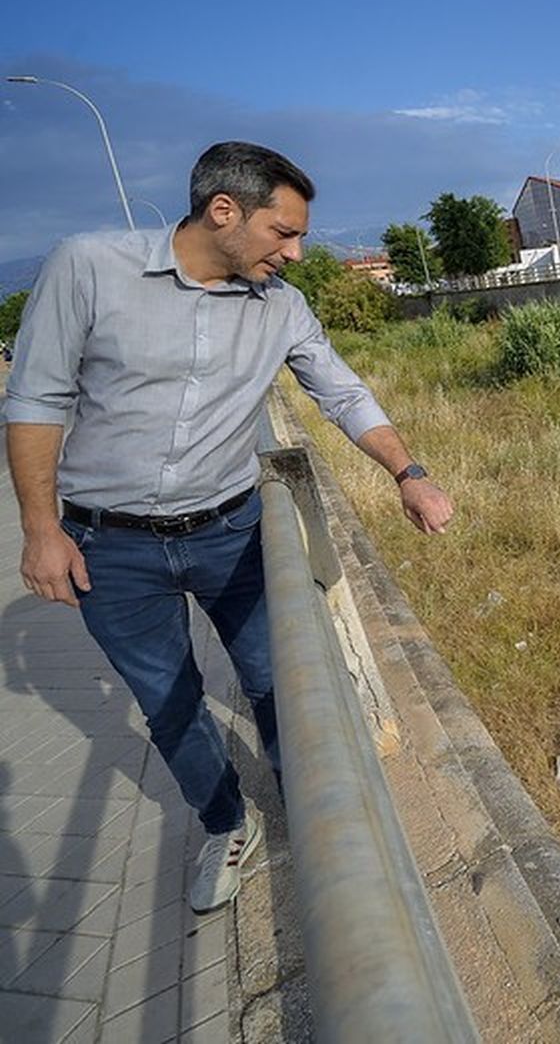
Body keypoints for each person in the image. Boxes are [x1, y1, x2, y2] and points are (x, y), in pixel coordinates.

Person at [3, 141, 454, 913]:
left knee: (283, 679)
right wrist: (41, 531)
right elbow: (36, 399)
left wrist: (406, 472)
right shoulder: (86, 266)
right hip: (108, 545)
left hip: (231, 532)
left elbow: (341, 393)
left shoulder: (282, 306)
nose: (298, 252)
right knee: (168, 698)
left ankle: (318, 816)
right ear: (224, 211)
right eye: (284, 232)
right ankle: (226, 823)